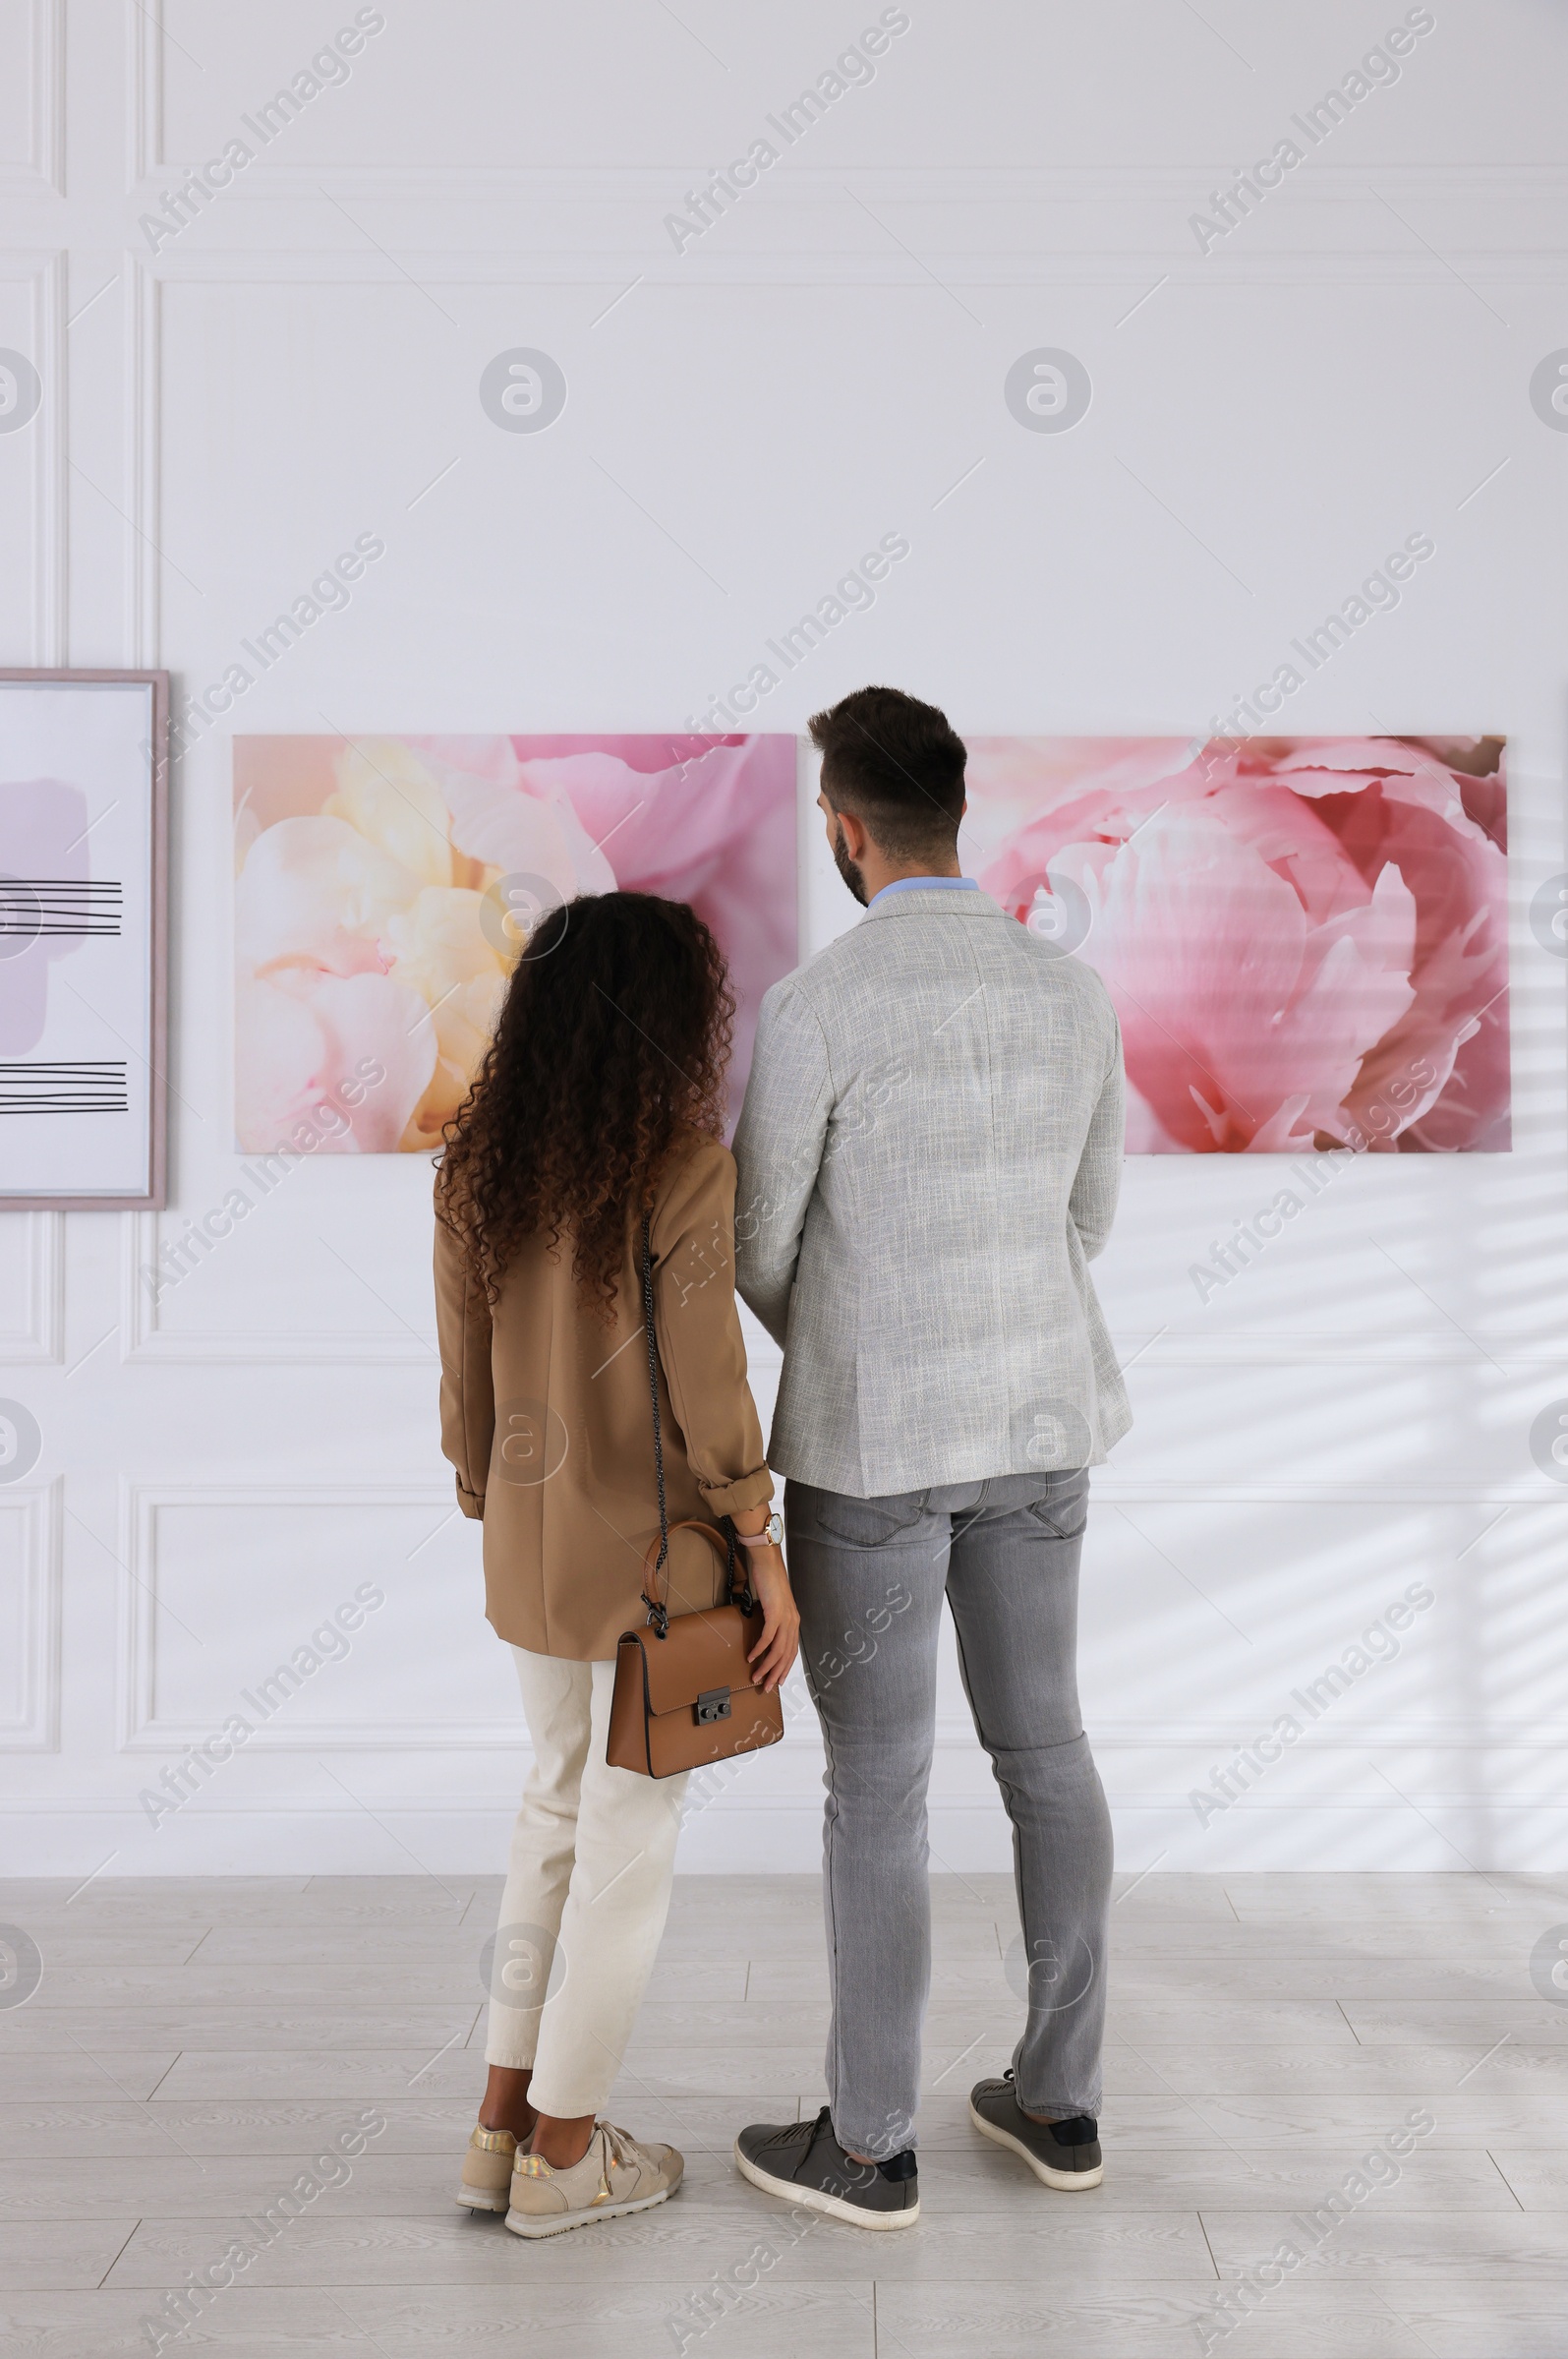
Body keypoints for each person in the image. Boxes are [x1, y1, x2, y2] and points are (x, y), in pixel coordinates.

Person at [728, 685, 1128, 2230]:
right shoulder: (1067, 992)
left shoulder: (823, 1004)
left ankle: (872, 2144)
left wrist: (857, 1330)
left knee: (879, 1792)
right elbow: (1084, 1223)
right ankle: (1060, 2102)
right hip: (1041, 1428)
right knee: (1049, 1753)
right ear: (957, 813)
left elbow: (761, 1247)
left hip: (873, 1448)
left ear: (842, 826)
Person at [435, 889, 797, 2239]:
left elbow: (463, 1394)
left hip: (526, 1560)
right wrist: (762, 1547)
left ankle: (497, 2129)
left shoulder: (476, 1172)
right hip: (650, 1572)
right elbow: (710, 1394)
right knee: (625, 1853)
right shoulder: (682, 1172)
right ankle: (569, 2159)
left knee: (549, 1817)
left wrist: (493, 1499)